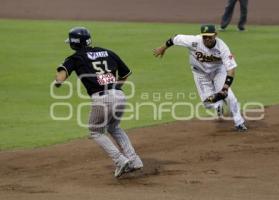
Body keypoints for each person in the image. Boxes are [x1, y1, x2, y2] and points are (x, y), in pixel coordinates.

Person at [54, 27, 143, 178]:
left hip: (101, 98)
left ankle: (120, 160)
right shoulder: (108, 52)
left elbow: (60, 78)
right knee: (114, 127)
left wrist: (57, 81)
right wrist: (114, 89)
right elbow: (126, 73)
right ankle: (135, 160)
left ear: (74, 44)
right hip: (119, 94)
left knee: (95, 131)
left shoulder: (75, 58)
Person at [153, 24, 247, 132]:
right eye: (204, 36)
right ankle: (218, 105)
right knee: (207, 103)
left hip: (218, 72)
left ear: (215, 35)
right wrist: (163, 47)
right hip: (200, 73)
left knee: (230, 97)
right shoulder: (194, 41)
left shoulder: (222, 47)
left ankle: (239, 122)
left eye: (209, 36)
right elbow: (175, 39)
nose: (207, 39)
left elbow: (231, 69)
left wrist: (225, 87)